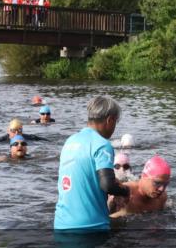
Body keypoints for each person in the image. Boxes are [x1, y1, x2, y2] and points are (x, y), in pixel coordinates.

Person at [53, 96, 130, 231]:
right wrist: (125, 191)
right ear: (110, 120)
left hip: (61, 223)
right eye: (116, 122)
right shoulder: (102, 144)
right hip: (90, 226)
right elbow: (107, 185)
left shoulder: (70, 141)